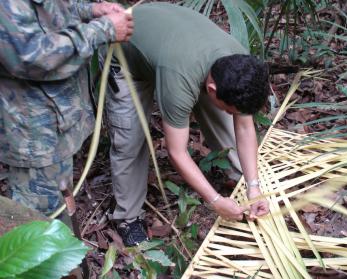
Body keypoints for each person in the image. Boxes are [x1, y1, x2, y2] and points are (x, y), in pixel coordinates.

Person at [104, 2, 270, 247]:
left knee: (226, 115)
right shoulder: (179, 81)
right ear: (211, 89)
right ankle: (127, 217)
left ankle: (241, 180)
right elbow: (177, 152)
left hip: (172, 41)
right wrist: (214, 201)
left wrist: (254, 187)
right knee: (130, 140)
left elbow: (244, 127)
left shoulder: (239, 64)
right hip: (127, 50)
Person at [0, 0, 134, 218]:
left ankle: (64, 245)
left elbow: (51, 11)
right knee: (37, 219)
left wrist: (90, 11)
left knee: (59, 202)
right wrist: (103, 29)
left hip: (56, 120)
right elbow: (28, 56)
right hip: (32, 133)